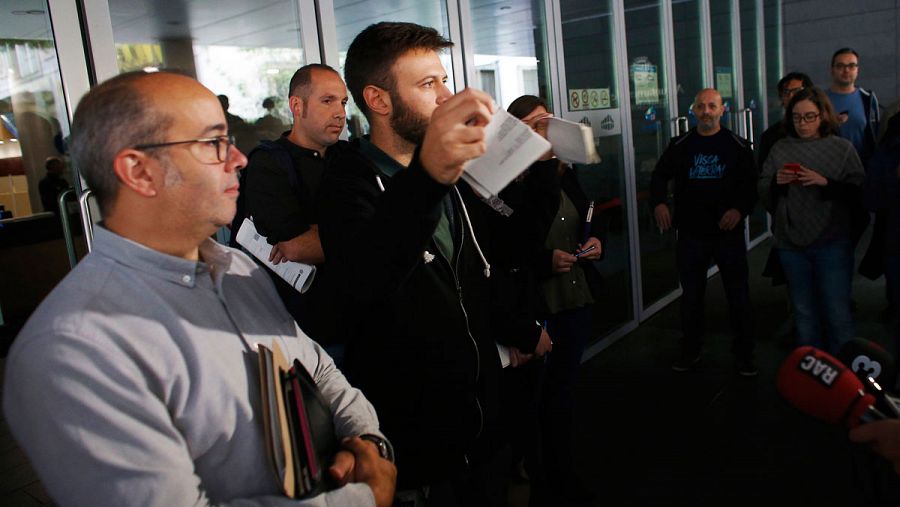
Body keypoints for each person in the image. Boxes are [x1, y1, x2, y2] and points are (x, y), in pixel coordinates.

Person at [3, 70, 396, 506]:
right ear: (139, 171)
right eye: (213, 144)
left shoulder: (239, 272)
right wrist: (362, 499)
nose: (239, 160)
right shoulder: (75, 349)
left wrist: (367, 443)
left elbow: (316, 369)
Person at [318, 21, 548, 505]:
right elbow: (367, 281)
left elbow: (506, 253)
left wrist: (538, 168)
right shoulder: (347, 180)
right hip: (416, 447)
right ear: (379, 101)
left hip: (483, 425)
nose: (445, 97)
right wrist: (430, 175)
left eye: (444, 80)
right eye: (428, 84)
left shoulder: (450, 173)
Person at [504, 94, 602, 506]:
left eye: (546, 122)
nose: (543, 131)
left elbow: (586, 219)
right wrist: (545, 261)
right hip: (538, 304)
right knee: (533, 401)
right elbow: (510, 249)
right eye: (532, 124)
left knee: (563, 395)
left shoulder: (565, 172)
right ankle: (536, 476)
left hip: (574, 297)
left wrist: (596, 244)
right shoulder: (506, 183)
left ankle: (562, 474)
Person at [650, 88, 758, 375]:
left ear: (723, 110)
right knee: (692, 297)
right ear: (693, 111)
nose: (707, 111)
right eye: (701, 107)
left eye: (712, 106)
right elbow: (659, 176)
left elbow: (751, 187)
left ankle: (744, 354)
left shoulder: (738, 146)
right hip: (691, 234)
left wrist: (738, 210)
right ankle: (691, 351)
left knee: (738, 296)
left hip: (728, 235)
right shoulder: (680, 145)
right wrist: (659, 203)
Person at [240, 64, 348, 348]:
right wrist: (367, 233)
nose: (341, 113)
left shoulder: (351, 158)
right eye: (328, 101)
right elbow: (296, 248)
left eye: (343, 102)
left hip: (360, 320)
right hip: (305, 331)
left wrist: (321, 234)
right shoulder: (269, 163)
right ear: (297, 106)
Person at [759, 86, 865, 354]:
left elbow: (859, 193)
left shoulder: (841, 149)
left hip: (832, 240)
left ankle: (846, 379)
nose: (802, 123)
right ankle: (812, 375)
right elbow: (762, 188)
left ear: (822, 116)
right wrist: (777, 183)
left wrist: (825, 183)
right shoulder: (781, 147)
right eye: (796, 117)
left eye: (809, 117)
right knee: (803, 312)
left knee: (836, 311)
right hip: (790, 242)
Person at [825, 48, 880, 166]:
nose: (846, 70)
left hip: (863, 166)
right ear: (832, 70)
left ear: (857, 70)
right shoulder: (820, 100)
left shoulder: (868, 99)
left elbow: (875, 135)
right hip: (829, 165)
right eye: (840, 66)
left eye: (851, 66)